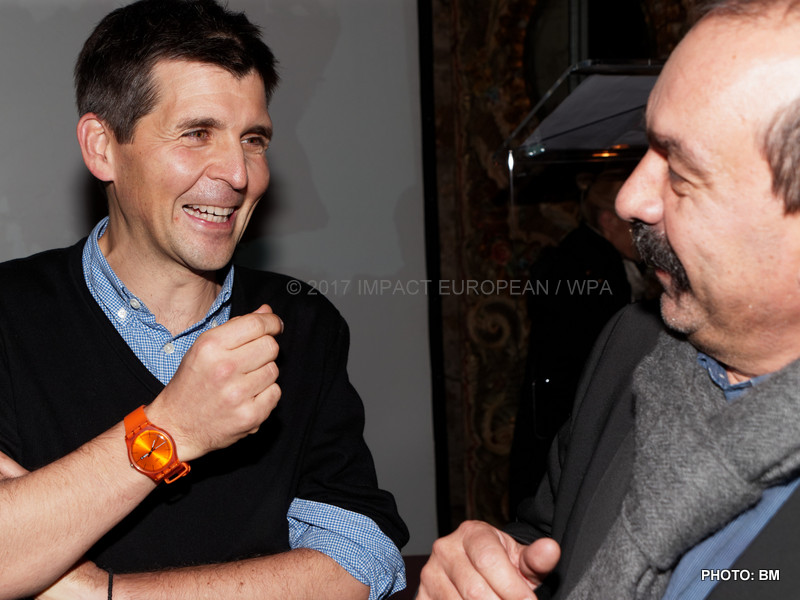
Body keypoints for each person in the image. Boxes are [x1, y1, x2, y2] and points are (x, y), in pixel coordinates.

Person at [0, 1, 407, 599]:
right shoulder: (9, 316)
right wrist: (171, 428)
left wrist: (106, 594)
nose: (239, 174)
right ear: (102, 147)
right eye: (197, 134)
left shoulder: (301, 322)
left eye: (253, 139)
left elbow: (359, 559)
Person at [418, 0, 800, 598]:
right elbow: (552, 540)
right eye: (644, 149)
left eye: (680, 171)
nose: (629, 199)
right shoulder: (631, 345)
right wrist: (486, 569)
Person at [509, 169, 654, 510]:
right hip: (574, 413)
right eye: (635, 225)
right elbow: (607, 356)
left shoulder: (584, 255)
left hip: (558, 407)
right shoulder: (597, 266)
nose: (644, 235)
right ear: (607, 220)